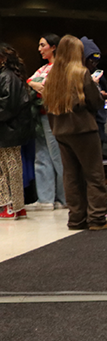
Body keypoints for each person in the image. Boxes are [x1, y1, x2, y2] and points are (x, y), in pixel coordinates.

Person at [41, 35, 107, 231]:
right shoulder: (81, 73)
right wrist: (100, 95)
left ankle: (76, 219)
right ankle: (97, 218)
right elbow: (94, 103)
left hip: (60, 131)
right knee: (94, 174)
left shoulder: (52, 75)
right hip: (83, 129)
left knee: (70, 176)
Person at [25, 33, 65, 211]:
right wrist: (34, 85)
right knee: (41, 157)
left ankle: (65, 198)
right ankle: (45, 198)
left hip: (54, 116)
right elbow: (31, 82)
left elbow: (46, 87)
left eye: (43, 45)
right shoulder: (43, 68)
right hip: (40, 116)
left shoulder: (61, 67)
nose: (40, 49)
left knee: (58, 158)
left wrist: (36, 85)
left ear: (54, 47)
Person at [0, 44, 35, 220]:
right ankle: (17, 206)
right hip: (12, 129)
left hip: (7, 130)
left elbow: (6, 106)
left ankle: (9, 206)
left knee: (6, 169)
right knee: (12, 167)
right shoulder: (12, 76)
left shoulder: (6, 77)